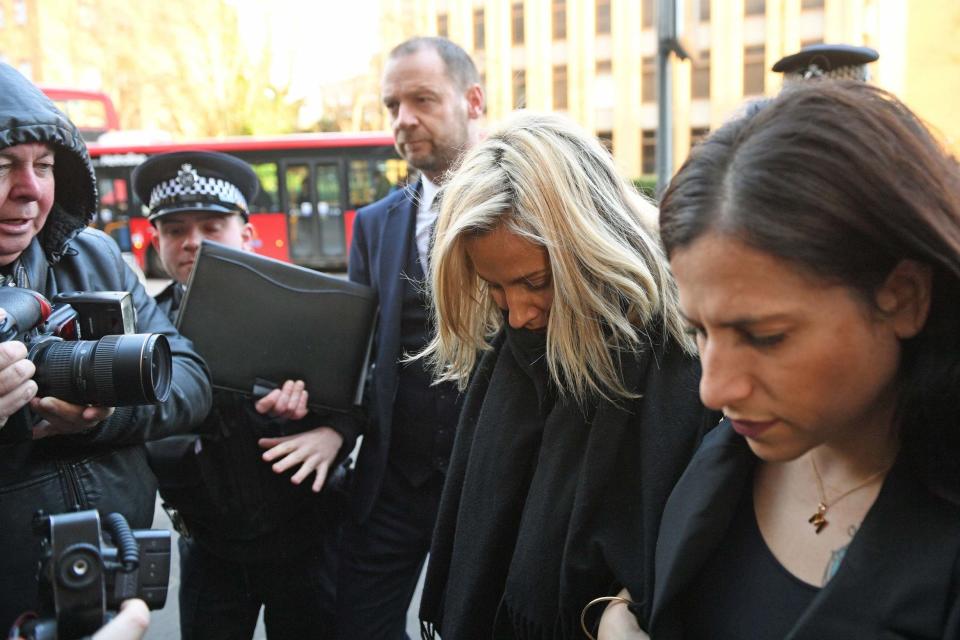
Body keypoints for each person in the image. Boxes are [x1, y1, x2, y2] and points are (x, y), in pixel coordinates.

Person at [645, 81, 960, 638]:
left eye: (765, 336)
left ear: (905, 297)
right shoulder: (718, 462)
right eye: (700, 332)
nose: (713, 390)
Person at [417, 111, 717, 639]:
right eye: (495, 287)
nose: (517, 314)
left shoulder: (679, 364)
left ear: (591, 248)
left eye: (535, 282)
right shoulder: (509, 353)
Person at [0, 64, 212, 628]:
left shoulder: (90, 256)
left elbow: (189, 380)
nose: (29, 190)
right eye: (2, 166)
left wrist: (99, 416)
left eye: (45, 166)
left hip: (119, 578)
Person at [133, 151, 355, 640]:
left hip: (308, 543)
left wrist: (333, 432)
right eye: (175, 230)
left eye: (212, 226)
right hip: (210, 548)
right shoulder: (142, 333)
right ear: (157, 242)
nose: (192, 242)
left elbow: (363, 389)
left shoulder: (300, 306)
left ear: (247, 236)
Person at [336, 36, 485, 640]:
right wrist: (331, 426)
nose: (404, 120)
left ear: (473, 100)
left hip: (487, 484)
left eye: (422, 99)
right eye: (392, 105)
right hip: (393, 481)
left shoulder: (529, 204)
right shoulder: (373, 225)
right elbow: (353, 352)